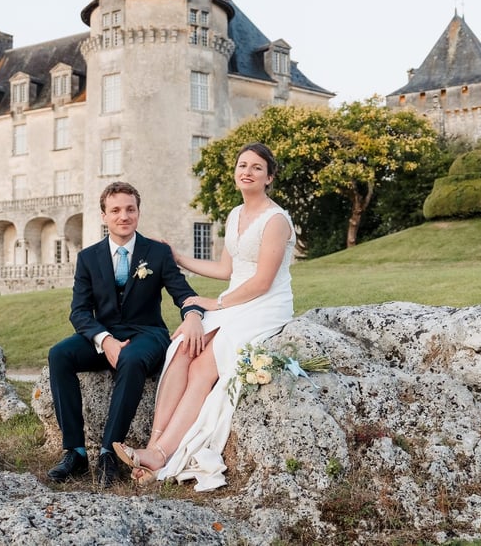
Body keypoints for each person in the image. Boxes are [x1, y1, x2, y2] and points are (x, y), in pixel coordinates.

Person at [113, 142, 296, 491]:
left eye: (257, 167)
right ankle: (154, 445)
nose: (247, 171)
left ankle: (162, 452)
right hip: (236, 299)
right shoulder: (234, 215)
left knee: (203, 365)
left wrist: (217, 304)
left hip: (265, 304)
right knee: (183, 346)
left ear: (269, 177)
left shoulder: (276, 220)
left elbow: (262, 281)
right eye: (242, 165)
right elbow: (227, 268)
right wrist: (178, 257)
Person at [47, 181, 200, 488]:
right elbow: (79, 311)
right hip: (105, 335)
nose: (123, 216)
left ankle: (108, 453)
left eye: (130, 209)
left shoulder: (156, 253)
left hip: (148, 334)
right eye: (115, 210)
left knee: (130, 358)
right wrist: (105, 340)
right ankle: (75, 452)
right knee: (59, 354)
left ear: (138, 213)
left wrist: (194, 313)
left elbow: (182, 293)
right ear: (104, 216)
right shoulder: (88, 258)